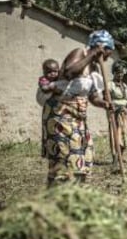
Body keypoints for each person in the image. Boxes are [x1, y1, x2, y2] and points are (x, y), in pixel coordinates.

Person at [42, 30, 114, 186]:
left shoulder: (94, 68)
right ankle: (57, 198)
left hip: (79, 119)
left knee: (85, 156)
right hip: (61, 115)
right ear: (102, 47)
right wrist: (92, 54)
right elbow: (68, 72)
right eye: (109, 50)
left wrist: (105, 104)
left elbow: (93, 97)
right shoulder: (80, 53)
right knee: (64, 156)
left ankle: (78, 193)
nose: (109, 55)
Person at [108, 62, 127, 160]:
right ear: (114, 73)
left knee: (124, 134)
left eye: (121, 72)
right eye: (118, 73)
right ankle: (114, 156)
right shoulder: (110, 84)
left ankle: (121, 156)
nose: (120, 75)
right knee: (115, 134)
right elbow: (108, 99)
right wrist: (117, 106)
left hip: (124, 113)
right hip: (115, 113)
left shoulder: (124, 85)